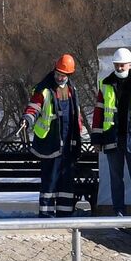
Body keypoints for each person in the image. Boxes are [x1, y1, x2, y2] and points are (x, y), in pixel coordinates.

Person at [21, 54, 91, 217]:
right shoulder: (44, 89)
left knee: (66, 181)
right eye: (58, 73)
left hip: (68, 143)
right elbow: (34, 107)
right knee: (50, 180)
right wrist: (27, 119)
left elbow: (76, 113)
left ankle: (64, 214)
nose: (60, 77)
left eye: (63, 75)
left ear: (69, 75)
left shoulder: (73, 89)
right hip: (50, 142)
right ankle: (45, 215)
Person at [92, 47, 131, 216]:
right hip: (112, 138)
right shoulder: (105, 84)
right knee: (115, 179)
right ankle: (118, 212)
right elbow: (99, 112)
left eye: (122, 65)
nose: (120, 68)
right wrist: (97, 140)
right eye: (117, 65)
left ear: (130, 64)